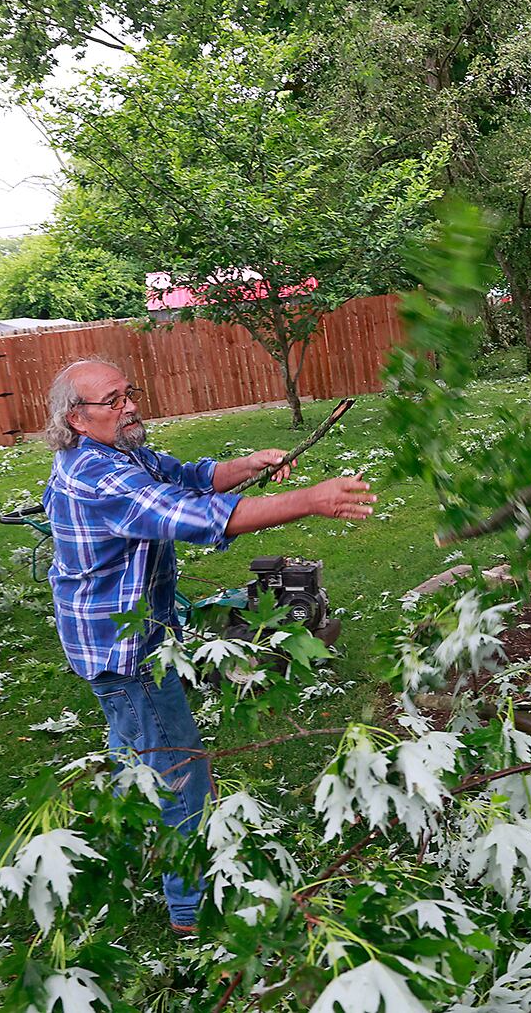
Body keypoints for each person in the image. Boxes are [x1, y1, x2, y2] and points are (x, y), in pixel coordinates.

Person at [40, 357, 375, 936]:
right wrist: (309, 499)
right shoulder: (94, 475)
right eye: (113, 400)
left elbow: (186, 477)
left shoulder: (123, 454)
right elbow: (192, 515)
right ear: (75, 417)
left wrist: (246, 464)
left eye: (130, 393)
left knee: (136, 759)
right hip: (126, 651)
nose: (130, 407)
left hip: (118, 638)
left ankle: (128, 846)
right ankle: (191, 910)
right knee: (181, 772)